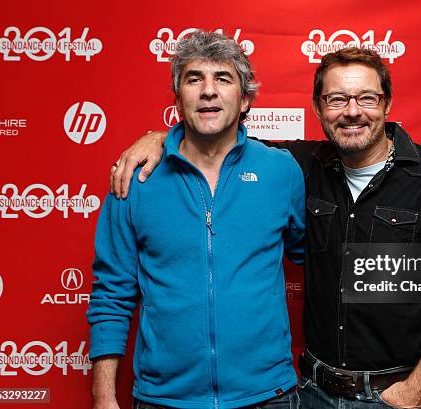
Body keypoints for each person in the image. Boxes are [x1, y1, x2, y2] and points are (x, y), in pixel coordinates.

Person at [111, 46, 421, 409]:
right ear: (318, 108)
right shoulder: (299, 166)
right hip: (312, 391)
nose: (352, 112)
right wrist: (160, 138)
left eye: (367, 99)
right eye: (337, 99)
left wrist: (416, 391)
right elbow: (216, 139)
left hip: (393, 394)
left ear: (387, 105)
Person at [87, 30, 304, 409]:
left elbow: (320, 257)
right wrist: (103, 396)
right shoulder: (135, 178)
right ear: (178, 98)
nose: (208, 91)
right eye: (194, 79)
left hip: (269, 396)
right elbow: (112, 291)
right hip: (164, 398)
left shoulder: (281, 171)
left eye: (223, 78)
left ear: (245, 99)